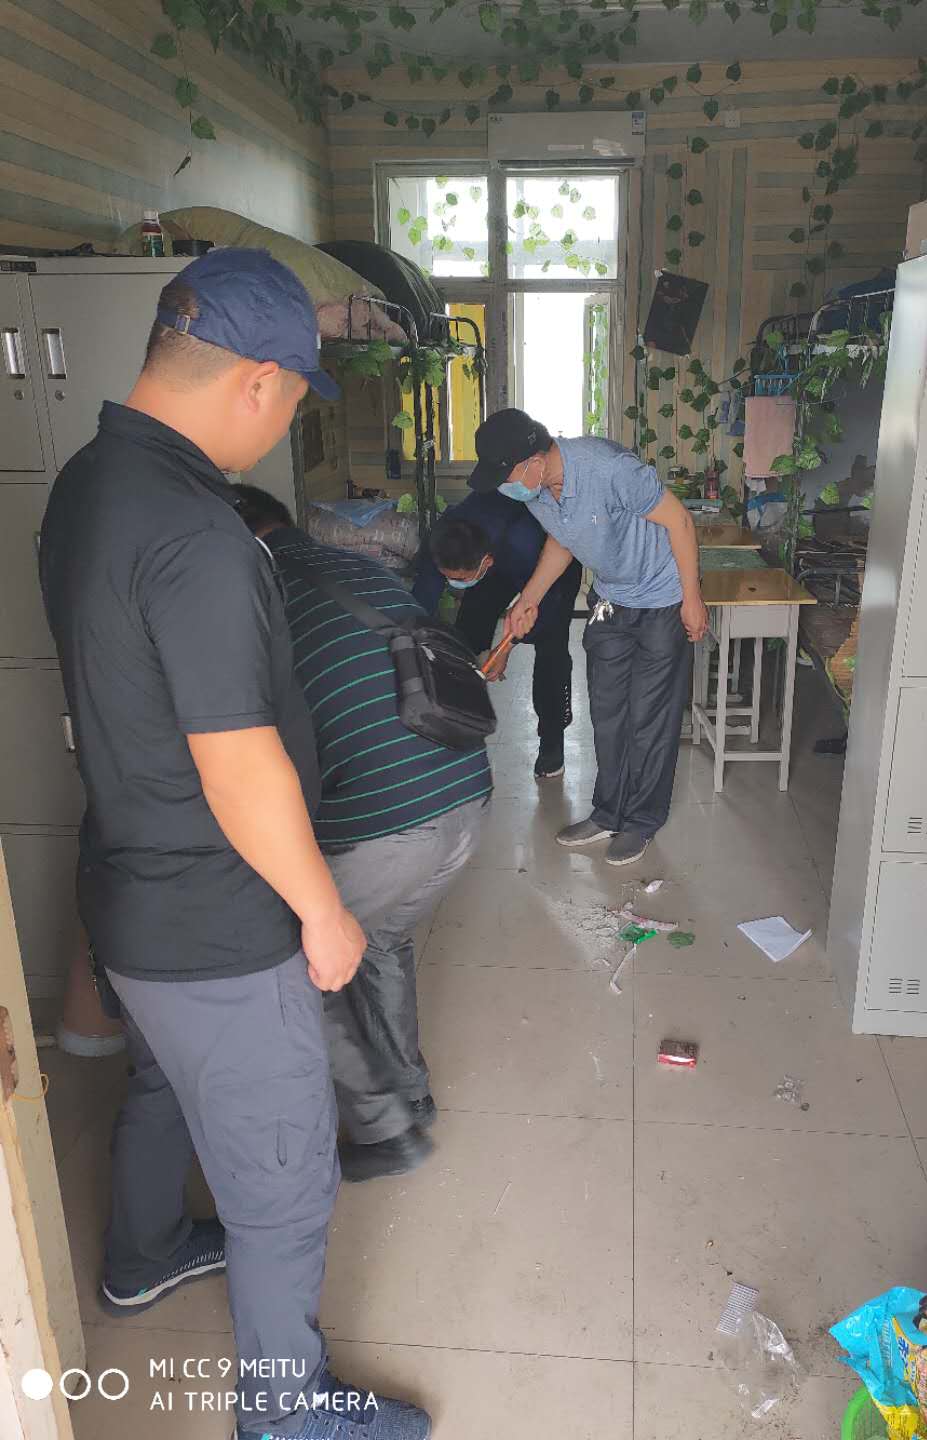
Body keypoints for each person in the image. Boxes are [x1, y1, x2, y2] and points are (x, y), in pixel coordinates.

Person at [39, 249, 429, 1440]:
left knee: (164, 1081)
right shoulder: (199, 533)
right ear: (258, 380)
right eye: (296, 400)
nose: (286, 425)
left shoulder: (88, 482)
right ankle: (283, 1415)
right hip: (216, 920)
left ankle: (142, 1255)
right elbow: (238, 760)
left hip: (129, 896)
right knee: (282, 1183)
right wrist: (322, 911)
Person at [232, 485, 493, 1183]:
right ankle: (410, 1093)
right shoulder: (352, 567)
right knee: (380, 940)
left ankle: (384, 1128)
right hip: (467, 792)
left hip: (391, 822)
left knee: (299, 962)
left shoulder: (255, 589)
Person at [469, 408, 708, 867]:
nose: (504, 487)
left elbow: (679, 521)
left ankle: (641, 820)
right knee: (607, 713)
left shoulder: (610, 469)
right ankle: (607, 812)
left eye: (506, 476)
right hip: (611, 601)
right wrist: (527, 600)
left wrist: (691, 598)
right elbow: (563, 540)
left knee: (649, 718)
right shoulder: (539, 491)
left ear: (535, 461)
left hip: (662, 599)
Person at [413, 490, 582, 779]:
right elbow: (419, 605)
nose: (452, 583)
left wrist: (505, 648)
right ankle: (457, 728)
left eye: (459, 579)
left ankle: (552, 739)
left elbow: (542, 608)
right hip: (491, 561)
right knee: (464, 639)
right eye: (447, 577)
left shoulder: (522, 541)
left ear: (486, 563)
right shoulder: (440, 542)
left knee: (551, 649)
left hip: (552, 566)